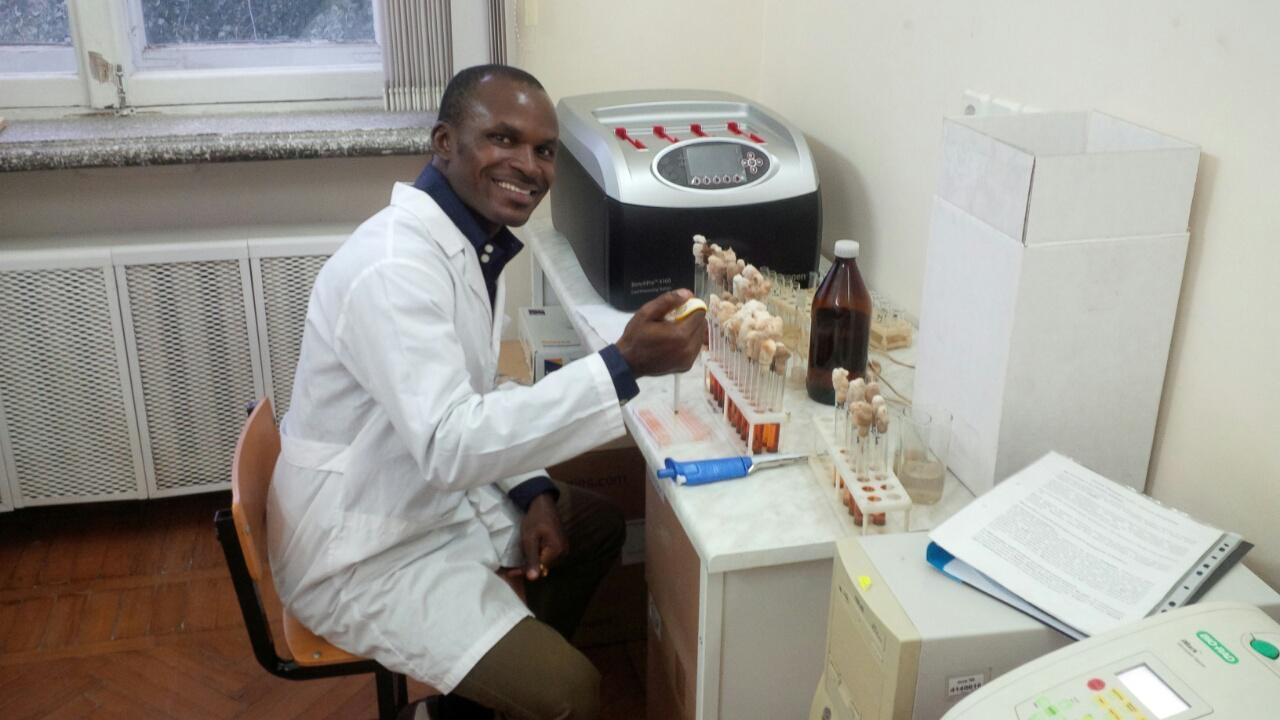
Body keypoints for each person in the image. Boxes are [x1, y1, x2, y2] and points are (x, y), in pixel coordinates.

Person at [266, 64, 705, 720]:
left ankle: (473, 706)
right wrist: (623, 365)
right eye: (503, 139)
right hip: (362, 549)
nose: (528, 165)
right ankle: (497, 694)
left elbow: (478, 389)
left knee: (594, 525)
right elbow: (450, 444)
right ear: (445, 142)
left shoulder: (469, 244)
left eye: (544, 150)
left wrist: (532, 493)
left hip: (421, 500)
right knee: (572, 695)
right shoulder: (394, 268)